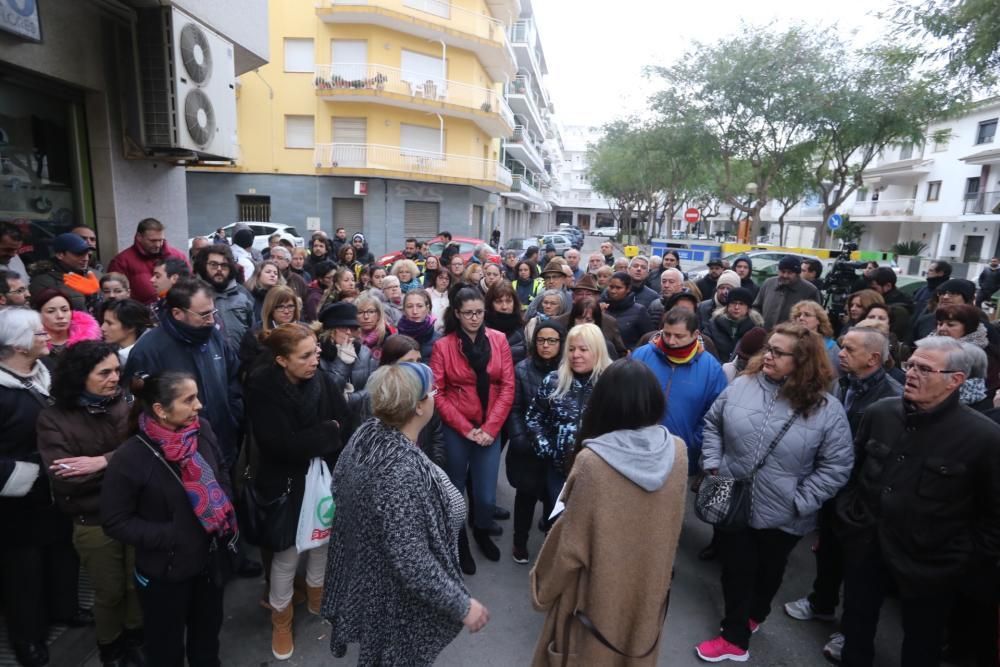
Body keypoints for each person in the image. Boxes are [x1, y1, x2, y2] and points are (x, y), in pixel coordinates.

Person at [835, 336, 1000, 667]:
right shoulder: (880, 413)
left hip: (931, 565)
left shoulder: (984, 438)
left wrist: (961, 560)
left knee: (921, 644)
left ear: (955, 380)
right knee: (855, 626)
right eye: (911, 365)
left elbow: (993, 517)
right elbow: (851, 473)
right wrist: (850, 517)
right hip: (867, 547)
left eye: (924, 369)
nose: (911, 374)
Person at [696, 323, 854, 662]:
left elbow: (837, 466)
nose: (768, 355)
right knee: (736, 569)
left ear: (803, 360)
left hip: (784, 512)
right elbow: (712, 424)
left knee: (769, 570)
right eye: (768, 349)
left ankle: (756, 614)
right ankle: (734, 638)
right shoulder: (742, 385)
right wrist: (713, 464)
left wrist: (800, 501)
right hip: (732, 496)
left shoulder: (827, 409)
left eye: (778, 352)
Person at [321, 363, 489, 664]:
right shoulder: (399, 469)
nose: (435, 397)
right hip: (396, 599)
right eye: (432, 392)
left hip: (377, 578)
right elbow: (412, 561)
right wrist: (463, 606)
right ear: (419, 407)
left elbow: (339, 489)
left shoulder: (367, 433)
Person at [530, 359, 688, 665]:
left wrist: (542, 589)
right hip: (648, 594)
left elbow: (569, 545)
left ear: (604, 403)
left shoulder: (593, 462)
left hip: (592, 601)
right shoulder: (678, 453)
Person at [100, 372, 238, 667]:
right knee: (165, 650)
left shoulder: (202, 431)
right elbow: (115, 521)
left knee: (207, 641)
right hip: (164, 574)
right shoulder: (131, 457)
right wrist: (173, 534)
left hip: (208, 564)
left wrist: (221, 502)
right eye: (188, 400)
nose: (199, 405)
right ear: (160, 410)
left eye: (197, 396)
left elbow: (222, 468)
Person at [781, 326, 900, 662]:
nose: (841, 353)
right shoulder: (842, 383)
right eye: (842, 347)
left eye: (849, 349)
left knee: (861, 572)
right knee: (829, 550)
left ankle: (851, 632)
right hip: (834, 486)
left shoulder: (890, 397)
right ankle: (821, 603)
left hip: (864, 495)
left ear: (873, 358)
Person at [245, 324, 352, 660]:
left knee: (322, 541)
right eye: (304, 356)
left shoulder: (324, 381)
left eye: (316, 353)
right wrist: (325, 432)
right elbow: (279, 446)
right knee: (287, 553)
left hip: (323, 478)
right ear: (281, 360)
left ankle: (317, 594)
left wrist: (315, 437)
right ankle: (282, 616)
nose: (313, 361)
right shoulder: (262, 388)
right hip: (284, 484)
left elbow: (344, 424)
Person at [36, 341, 142, 666]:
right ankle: (110, 645)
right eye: (105, 372)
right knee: (109, 591)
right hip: (93, 520)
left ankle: (137, 638)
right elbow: (67, 477)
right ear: (80, 376)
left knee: (137, 582)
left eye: (117, 371)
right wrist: (126, 465)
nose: (115, 378)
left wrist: (104, 462)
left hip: (136, 512)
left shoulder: (125, 403)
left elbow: (149, 448)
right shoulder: (53, 419)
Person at [0, 308, 89, 667]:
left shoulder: (47, 372)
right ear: (19, 346)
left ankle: (65, 609)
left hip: (56, 490)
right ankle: (28, 637)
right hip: (17, 502)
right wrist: (27, 475)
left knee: (62, 554)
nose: (48, 336)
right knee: (24, 573)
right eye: (39, 334)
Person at [430, 286, 515, 569]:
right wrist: (465, 428)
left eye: (479, 312)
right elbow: (438, 392)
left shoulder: (499, 340)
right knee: (455, 490)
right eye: (468, 313)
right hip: (458, 428)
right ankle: (458, 541)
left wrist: (490, 428)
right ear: (457, 313)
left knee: (486, 496)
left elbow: (507, 387)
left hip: (489, 427)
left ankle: (481, 529)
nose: (475, 318)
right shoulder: (444, 346)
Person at [123, 279, 244, 474]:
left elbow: (233, 378)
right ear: (177, 313)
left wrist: (233, 416)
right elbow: (140, 406)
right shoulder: (149, 350)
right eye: (204, 314)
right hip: (177, 458)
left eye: (213, 312)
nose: (212, 320)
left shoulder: (214, 336)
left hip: (222, 444)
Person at [526, 322, 612, 514]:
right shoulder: (553, 380)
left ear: (597, 351)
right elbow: (533, 419)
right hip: (558, 473)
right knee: (557, 524)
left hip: (598, 474)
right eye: (571, 349)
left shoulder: (611, 383)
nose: (576, 355)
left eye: (583, 349)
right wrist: (548, 450)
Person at [632, 308, 728, 475]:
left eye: (679, 336)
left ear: (695, 334)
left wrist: (694, 442)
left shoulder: (711, 368)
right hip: (636, 451)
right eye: (667, 334)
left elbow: (716, 414)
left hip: (682, 457)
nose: (671, 341)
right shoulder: (641, 356)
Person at [505, 321, 565, 564]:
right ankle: (520, 542)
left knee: (554, 500)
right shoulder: (522, 369)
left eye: (552, 340)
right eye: (541, 340)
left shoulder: (568, 370)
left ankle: (551, 545)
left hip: (557, 450)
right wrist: (519, 439)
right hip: (528, 447)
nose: (546, 345)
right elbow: (515, 409)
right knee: (525, 496)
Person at [106, 218, 189, 305]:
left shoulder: (178, 256)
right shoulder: (121, 262)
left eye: (161, 240)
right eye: (152, 241)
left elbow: (191, 285)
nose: (158, 245)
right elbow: (115, 297)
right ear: (139, 237)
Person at [931, 302, 1000, 401]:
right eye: (940, 324)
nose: (942, 329)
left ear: (968, 327)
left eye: (950, 325)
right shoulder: (929, 347)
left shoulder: (982, 356)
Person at [317, 301, 376, 414]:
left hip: (359, 416)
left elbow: (373, 390)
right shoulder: (318, 354)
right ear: (330, 331)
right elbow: (328, 394)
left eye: (353, 328)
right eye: (343, 328)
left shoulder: (364, 353)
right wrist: (342, 364)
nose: (349, 332)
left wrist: (349, 399)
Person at [193, 245, 255, 351]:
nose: (219, 269)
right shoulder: (193, 294)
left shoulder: (242, 294)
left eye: (224, 265)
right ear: (203, 266)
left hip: (240, 361)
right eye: (213, 265)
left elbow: (253, 330)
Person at [29, 232, 102, 313]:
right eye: (78, 254)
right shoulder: (43, 282)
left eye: (87, 254)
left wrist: (95, 295)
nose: (86, 258)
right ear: (60, 255)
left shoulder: (96, 275)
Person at [238, 285, 300, 374]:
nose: (286, 311)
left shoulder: (304, 330)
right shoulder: (254, 334)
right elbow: (246, 370)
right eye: (280, 307)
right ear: (271, 308)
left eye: (290, 306)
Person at [32, 288, 102, 363]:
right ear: (38, 315)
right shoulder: (32, 347)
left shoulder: (90, 343)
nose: (60, 316)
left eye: (65, 310)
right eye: (51, 311)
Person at [752, 255, 820, 330]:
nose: (785, 275)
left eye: (789, 273)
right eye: (782, 272)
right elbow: (756, 307)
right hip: (764, 334)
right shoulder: (769, 283)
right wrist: (758, 321)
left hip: (793, 338)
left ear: (797, 274)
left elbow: (815, 318)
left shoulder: (810, 290)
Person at [702, 287, 762, 363]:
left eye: (741, 304)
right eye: (733, 303)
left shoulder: (755, 329)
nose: (736, 307)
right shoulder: (714, 324)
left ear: (748, 308)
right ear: (727, 306)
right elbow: (704, 345)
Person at [603, 271, 655, 351]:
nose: (613, 291)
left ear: (628, 289)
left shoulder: (639, 311)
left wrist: (633, 352)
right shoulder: (601, 308)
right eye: (611, 287)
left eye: (618, 288)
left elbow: (649, 338)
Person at [791, 300, 842, 379]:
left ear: (819, 320)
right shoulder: (789, 341)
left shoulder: (831, 346)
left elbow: (836, 379)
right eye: (798, 315)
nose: (801, 318)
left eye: (807, 315)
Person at [101, 298, 153, 367]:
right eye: (104, 322)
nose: (102, 328)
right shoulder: (110, 352)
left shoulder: (147, 359)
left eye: (109, 323)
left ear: (131, 327)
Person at [484, 281, 526, 365]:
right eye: (498, 302)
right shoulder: (482, 328)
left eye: (508, 301)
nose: (504, 307)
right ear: (490, 303)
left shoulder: (523, 327)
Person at [869, 266, 914, 343]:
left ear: (888, 286)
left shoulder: (899, 311)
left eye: (874, 289)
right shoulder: (882, 302)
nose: (870, 292)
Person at [396, 289, 441, 363]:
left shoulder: (439, 341)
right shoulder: (393, 341)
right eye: (410, 306)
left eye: (419, 306)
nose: (415, 311)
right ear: (404, 309)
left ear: (427, 308)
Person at [355, 292, 396, 361]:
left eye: (371, 312)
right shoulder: (349, 337)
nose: (366, 317)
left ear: (379, 314)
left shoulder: (390, 337)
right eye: (360, 312)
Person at [246, 259, 285, 325]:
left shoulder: (281, 296)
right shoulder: (248, 295)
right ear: (258, 274)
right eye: (268, 272)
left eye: (275, 273)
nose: (273, 275)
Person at [428, 268, 451, 333]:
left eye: (447, 279)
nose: (444, 281)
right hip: (431, 331)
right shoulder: (427, 293)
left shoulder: (451, 295)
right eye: (441, 278)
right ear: (435, 278)